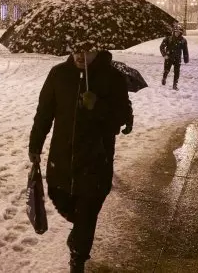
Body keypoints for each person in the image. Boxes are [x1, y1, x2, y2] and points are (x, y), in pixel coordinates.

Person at [28, 50, 132, 272]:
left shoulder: (112, 78)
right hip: (62, 158)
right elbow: (44, 113)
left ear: (99, 49)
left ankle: (78, 256)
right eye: (76, 48)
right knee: (61, 200)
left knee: (88, 211)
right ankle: (80, 232)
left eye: (88, 50)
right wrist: (35, 144)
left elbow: (121, 118)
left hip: (96, 161)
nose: (80, 54)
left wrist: (98, 107)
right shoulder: (58, 75)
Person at [160, 24, 189, 90]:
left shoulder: (183, 40)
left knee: (177, 72)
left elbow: (185, 50)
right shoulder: (168, 39)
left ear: (181, 32)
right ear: (173, 32)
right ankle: (164, 78)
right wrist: (164, 55)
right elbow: (161, 47)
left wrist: (186, 58)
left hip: (177, 58)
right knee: (167, 70)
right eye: (176, 32)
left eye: (179, 32)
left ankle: (175, 85)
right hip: (169, 57)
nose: (177, 33)